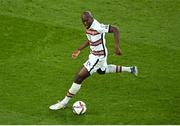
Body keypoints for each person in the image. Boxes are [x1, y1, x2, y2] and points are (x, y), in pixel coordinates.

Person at [49, 11, 138, 110]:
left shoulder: (98, 26)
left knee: (78, 78)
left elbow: (115, 29)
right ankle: (131, 69)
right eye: (83, 21)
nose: (85, 23)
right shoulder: (88, 27)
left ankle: (64, 102)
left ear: (91, 18)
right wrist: (79, 49)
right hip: (94, 54)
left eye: (87, 20)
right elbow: (90, 40)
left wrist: (117, 47)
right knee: (101, 71)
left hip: (98, 57)